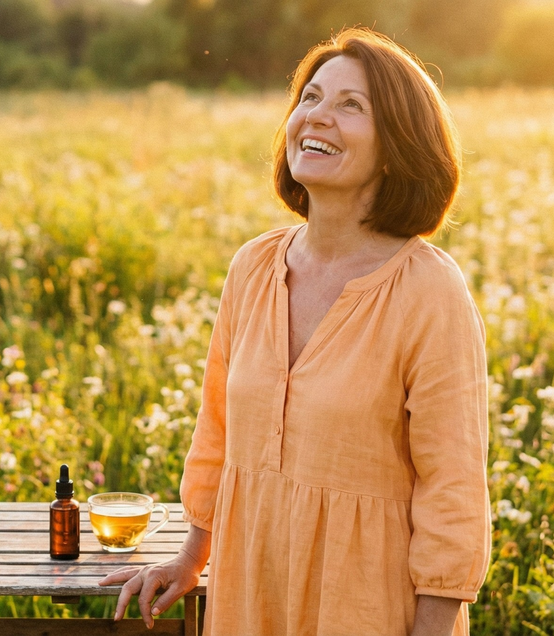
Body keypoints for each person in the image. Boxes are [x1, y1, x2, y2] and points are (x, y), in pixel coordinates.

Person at [97, 27, 492, 636]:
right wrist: (190, 556)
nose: (318, 117)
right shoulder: (252, 266)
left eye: (350, 105)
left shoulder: (428, 291)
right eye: (309, 98)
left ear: (397, 146)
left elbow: (452, 488)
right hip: (248, 585)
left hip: (363, 599)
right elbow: (218, 433)